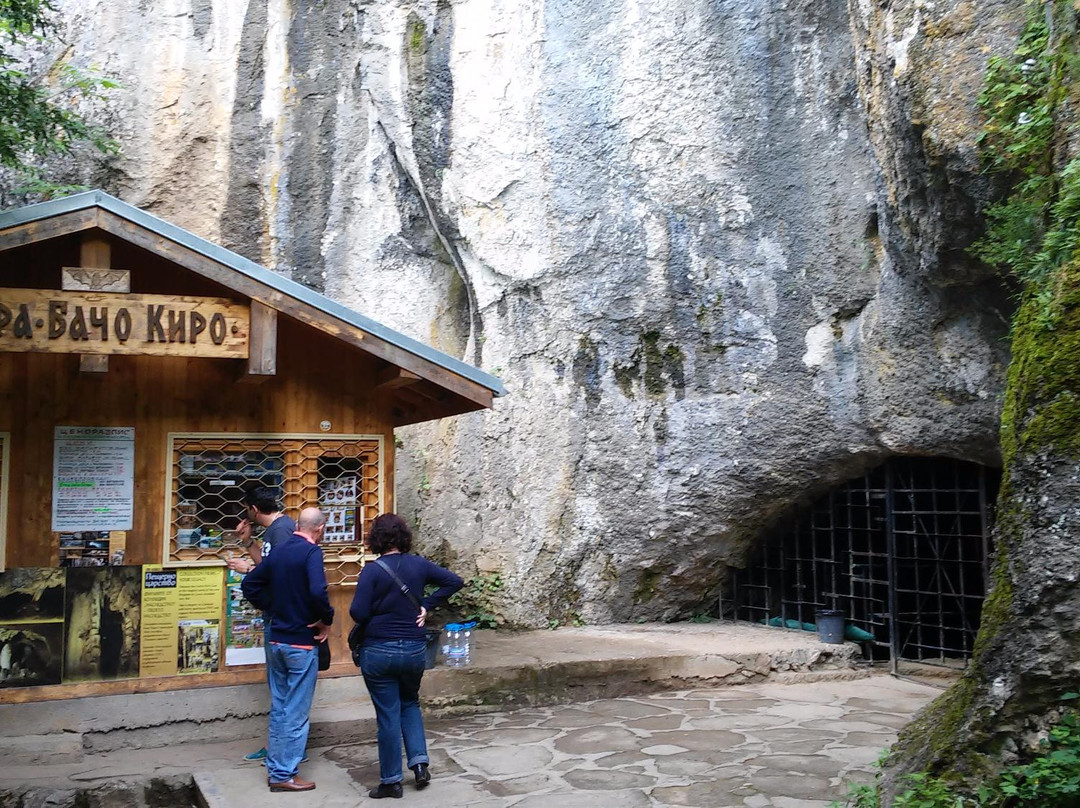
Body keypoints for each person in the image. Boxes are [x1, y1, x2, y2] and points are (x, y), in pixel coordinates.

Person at [350, 514, 463, 799]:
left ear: (376, 538)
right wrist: (426, 605)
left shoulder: (372, 571)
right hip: (414, 649)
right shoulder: (419, 565)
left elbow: (358, 613)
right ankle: (420, 764)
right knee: (410, 702)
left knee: (388, 713)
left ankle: (391, 781)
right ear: (404, 537)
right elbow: (454, 581)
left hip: (379, 650)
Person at [241, 507, 333, 793]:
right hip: (300, 643)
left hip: (277, 640)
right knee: (296, 712)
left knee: (281, 707)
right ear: (319, 529)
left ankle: (275, 768)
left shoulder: (279, 551)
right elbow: (318, 591)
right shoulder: (311, 552)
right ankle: (284, 774)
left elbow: (250, 584)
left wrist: (274, 607)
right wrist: (326, 619)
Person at [226, 485, 298, 763]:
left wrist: (248, 570)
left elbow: (282, 574)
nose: (246, 516)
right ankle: (280, 747)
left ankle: (286, 751)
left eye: (246, 510)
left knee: (282, 689)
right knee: (280, 688)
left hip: (282, 618)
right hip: (276, 616)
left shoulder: (281, 531)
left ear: (254, 509)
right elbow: (268, 565)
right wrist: (248, 543)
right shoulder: (273, 531)